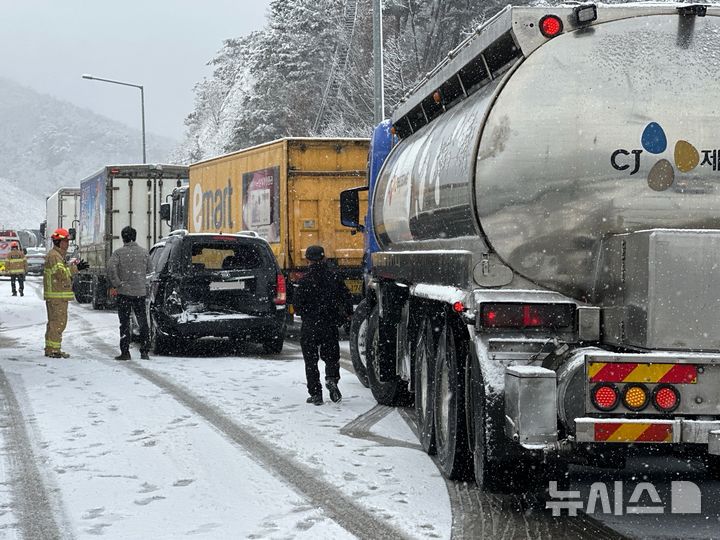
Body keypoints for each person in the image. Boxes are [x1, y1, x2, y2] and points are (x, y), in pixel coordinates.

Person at [293, 245, 353, 405]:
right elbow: (346, 297)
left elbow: (297, 306)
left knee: (311, 361)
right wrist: (346, 314)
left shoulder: (304, 281)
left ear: (308, 260)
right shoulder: (334, 277)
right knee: (332, 357)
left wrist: (306, 312)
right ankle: (332, 379)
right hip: (329, 324)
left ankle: (316, 393)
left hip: (310, 325)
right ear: (324, 258)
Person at [107, 226, 150, 361]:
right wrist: (143, 282)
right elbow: (150, 270)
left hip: (124, 293)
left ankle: (125, 352)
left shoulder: (118, 253)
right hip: (140, 293)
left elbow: (110, 268)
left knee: (125, 323)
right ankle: (145, 351)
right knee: (142, 321)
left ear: (123, 238)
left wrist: (117, 283)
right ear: (135, 237)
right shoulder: (144, 253)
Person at [44, 228, 88, 358]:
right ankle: (53, 350)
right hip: (57, 297)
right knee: (58, 323)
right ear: (58, 242)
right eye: (65, 241)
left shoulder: (57, 255)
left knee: (54, 323)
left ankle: (51, 348)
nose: (67, 243)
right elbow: (62, 274)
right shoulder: (54, 256)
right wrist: (76, 268)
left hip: (56, 296)